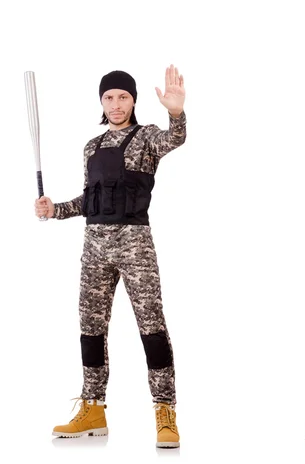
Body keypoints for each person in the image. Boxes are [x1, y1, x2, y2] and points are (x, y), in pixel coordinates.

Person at [35, 65, 186, 448]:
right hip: (95, 248)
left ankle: (165, 412)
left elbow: (176, 139)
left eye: (122, 96)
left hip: (135, 245)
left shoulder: (147, 137)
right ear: (101, 101)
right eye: (109, 97)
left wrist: (176, 113)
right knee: (91, 329)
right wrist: (55, 209)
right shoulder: (92, 146)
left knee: (151, 327)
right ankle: (93, 408)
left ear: (133, 100)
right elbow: (90, 200)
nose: (115, 104)